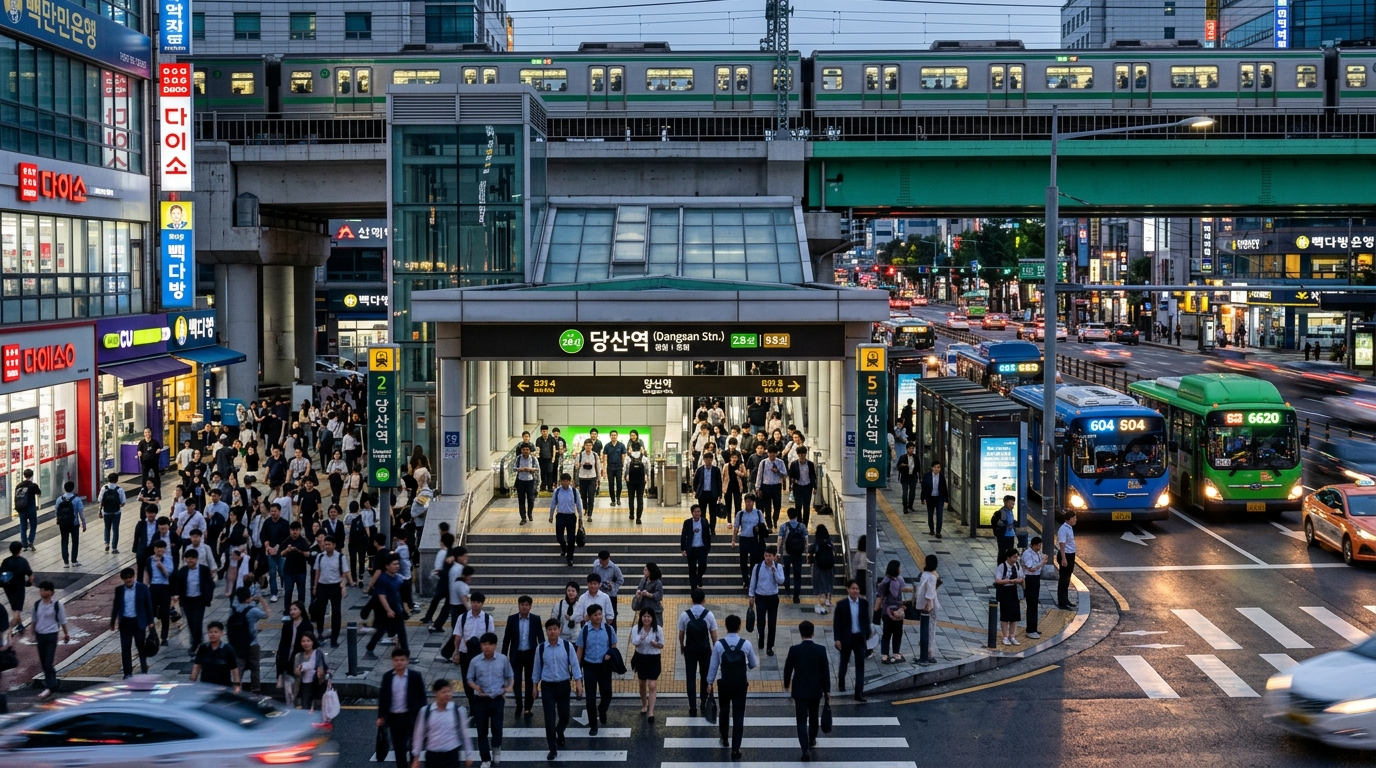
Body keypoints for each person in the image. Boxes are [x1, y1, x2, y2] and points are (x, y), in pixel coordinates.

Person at [706, 614, 757, 759]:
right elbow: (753, 664)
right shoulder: (746, 644)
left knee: (724, 710)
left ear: (726, 627)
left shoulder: (719, 645)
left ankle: (724, 737)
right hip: (740, 684)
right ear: (740, 627)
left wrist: (709, 682)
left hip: (725, 684)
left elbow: (714, 665)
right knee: (739, 715)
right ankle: (736, 749)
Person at [533, 616, 583, 761]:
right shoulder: (541, 648)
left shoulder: (567, 646)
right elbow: (537, 668)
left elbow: (575, 665)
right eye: (550, 629)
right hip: (547, 686)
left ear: (559, 630)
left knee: (565, 715)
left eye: (555, 629)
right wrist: (535, 686)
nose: (553, 632)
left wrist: (578, 683)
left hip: (563, 685)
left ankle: (559, 731)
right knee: (549, 719)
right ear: (546, 631)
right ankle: (552, 749)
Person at [782, 619, 831, 761]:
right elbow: (825, 671)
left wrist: (786, 684)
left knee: (801, 719)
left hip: (799, 690)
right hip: (816, 689)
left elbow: (787, 669)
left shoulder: (794, 650)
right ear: (813, 633)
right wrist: (827, 690)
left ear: (800, 633)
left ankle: (804, 750)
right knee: (814, 717)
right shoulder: (820, 650)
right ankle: (812, 740)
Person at [466, 632, 514, 766]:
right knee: (482, 731)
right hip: (480, 700)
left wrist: (509, 687)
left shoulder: (503, 659)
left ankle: (496, 750)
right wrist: (475, 687)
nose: (487, 647)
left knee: (497, 729)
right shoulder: (475, 661)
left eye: (490, 644)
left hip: (497, 699)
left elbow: (510, 675)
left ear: (495, 645)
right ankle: (485, 759)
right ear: (481, 646)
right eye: (484, 644)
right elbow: (469, 678)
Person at [378, 648, 427, 768]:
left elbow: (422, 697)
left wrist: (424, 715)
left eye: (402, 660)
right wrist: (380, 716)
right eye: (396, 660)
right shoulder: (387, 677)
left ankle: (413, 764)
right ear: (392, 661)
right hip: (394, 717)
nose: (399, 662)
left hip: (410, 717)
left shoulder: (415, 676)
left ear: (407, 661)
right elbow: (383, 697)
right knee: (399, 749)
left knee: (412, 746)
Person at [411, 678, 475, 768]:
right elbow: (419, 735)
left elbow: (464, 734)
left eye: (449, 691)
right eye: (444, 692)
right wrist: (416, 757)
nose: (447, 694)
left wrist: (469, 755)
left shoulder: (458, 711)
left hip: (452, 755)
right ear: (435, 693)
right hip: (432, 756)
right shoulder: (426, 711)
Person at [575, 604, 615, 734]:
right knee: (590, 699)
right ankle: (593, 725)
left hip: (604, 667)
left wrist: (610, 654)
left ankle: (602, 710)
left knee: (607, 693)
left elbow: (613, 646)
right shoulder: (585, 630)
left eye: (600, 614)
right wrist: (576, 669)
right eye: (595, 615)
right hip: (589, 666)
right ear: (589, 617)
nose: (598, 617)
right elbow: (580, 649)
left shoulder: (609, 629)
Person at [678, 588, 718, 718]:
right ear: (703, 599)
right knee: (705, 676)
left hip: (690, 650)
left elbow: (681, 633)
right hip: (705, 650)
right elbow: (714, 635)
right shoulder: (709, 614)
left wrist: (682, 645)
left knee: (690, 677)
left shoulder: (685, 615)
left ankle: (692, 706)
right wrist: (715, 649)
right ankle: (703, 701)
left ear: (691, 599)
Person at [109, 567, 155, 678]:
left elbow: (148, 605)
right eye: (126, 578)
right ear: (123, 579)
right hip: (125, 622)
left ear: (133, 577)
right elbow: (116, 606)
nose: (129, 580)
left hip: (138, 622)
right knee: (125, 648)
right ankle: (127, 673)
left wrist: (150, 621)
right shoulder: (119, 590)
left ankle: (144, 669)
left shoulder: (142, 588)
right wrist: (113, 621)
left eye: (130, 577)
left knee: (140, 646)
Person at [501, 595, 542, 718]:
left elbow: (540, 637)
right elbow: (506, 639)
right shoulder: (512, 619)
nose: (524, 607)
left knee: (530, 682)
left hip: (531, 655)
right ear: (518, 606)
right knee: (516, 682)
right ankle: (519, 705)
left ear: (530, 606)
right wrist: (503, 656)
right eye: (522, 604)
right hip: (516, 655)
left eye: (526, 605)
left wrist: (543, 654)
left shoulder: (535, 619)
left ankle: (528, 708)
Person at [452, 592, 495, 706]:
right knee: (467, 683)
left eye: (478, 602)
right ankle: (472, 703)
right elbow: (457, 636)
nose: (475, 605)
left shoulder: (487, 619)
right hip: (465, 654)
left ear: (482, 604)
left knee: (480, 681)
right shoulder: (463, 618)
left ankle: (477, 706)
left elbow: (491, 639)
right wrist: (456, 653)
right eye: (474, 602)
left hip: (481, 656)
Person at [833, 579, 871, 702]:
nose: (855, 591)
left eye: (857, 589)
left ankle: (858, 692)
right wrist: (837, 638)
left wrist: (867, 637)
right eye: (853, 588)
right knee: (844, 662)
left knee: (860, 664)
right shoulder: (841, 604)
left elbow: (866, 621)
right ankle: (841, 683)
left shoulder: (864, 603)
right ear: (848, 590)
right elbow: (836, 623)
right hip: (846, 638)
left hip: (859, 638)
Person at [172, 547, 215, 655]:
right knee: (191, 623)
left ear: (196, 559)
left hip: (199, 600)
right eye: (188, 558)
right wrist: (176, 594)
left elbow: (210, 584)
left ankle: (195, 645)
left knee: (197, 622)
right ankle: (199, 641)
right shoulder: (182, 571)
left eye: (192, 558)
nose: (190, 561)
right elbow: (178, 584)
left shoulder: (204, 570)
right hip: (187, 601)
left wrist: (208, 596)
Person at [228, 586, 270, 693]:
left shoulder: (233, 610)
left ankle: (237, 690)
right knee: (255, 668)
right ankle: (255, 690)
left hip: (237, 645)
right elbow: (267, 614)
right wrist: (261, 599)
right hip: (252, 644)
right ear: (248, 597)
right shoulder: (253, 611)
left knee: (239, 669)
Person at [366, 555, 409, 658]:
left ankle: (406, 654)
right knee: (380, 631)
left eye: (398, 564)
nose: (397, 566)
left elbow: (400, 594)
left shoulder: (398, 578)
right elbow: (381, 596)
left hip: (397, 609)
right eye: (394, 564)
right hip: (385, 611)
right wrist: (388, 610)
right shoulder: (383, 579)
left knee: (402, 633)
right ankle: (370, 648)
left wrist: (404, 606)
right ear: (387, 566)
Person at [32, 581, 69, 700]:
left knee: (48, 662)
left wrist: (66, 633)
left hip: (51, 635)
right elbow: (34, 619)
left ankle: (50, 687)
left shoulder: (57, 605)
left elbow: (62, 620)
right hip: (40, 635)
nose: (42, 592)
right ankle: (54, 682)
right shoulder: (37, 604)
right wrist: (33, 632)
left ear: (51, 592)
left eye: (45, 590)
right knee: (44, 663)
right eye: (41, 590)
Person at [312, 535, 351, 647]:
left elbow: (344, 572)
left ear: (334, 545)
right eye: (325, 544)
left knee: (336, 613)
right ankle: (320, 633)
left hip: (335, 586)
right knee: (320, 611)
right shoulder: (320, 557)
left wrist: (343, 586)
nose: (327, 546)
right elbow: (317, 573)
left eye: (329, 544)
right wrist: (315, 587)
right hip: (322, 586)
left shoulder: (340, 557)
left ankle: (334, 638)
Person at [748, 546, 784, 656]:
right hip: (760, 597)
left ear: (774, 557)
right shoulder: (757, 567)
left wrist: (775, 572)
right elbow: (753, 582)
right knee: (761, 621)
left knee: (772, 623)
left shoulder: (778, 567)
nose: (767, 558)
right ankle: (761, 639)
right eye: (766, 556)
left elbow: (781, 581)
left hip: (773, 597)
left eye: (769, 556)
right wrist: (751, 596)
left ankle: (770, 646)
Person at [877, 560, 913, 664]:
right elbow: (880, 597)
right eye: (899, 567)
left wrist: (912, 589)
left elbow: (902, 589)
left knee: (892, 632)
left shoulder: (894, 580)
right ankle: (891, 653)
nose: (900, 569)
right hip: (891, 611)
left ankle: (888, 654)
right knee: (892, 632)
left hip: (893, 611)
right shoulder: (886, 582)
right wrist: (876, 610)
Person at [630, 607, 663, 719]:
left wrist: (656, 644)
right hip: (641, 657)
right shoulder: (636, 628)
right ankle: (644, 704)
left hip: (654, 658)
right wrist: (642, 637)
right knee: (642, 683)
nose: (646, 619)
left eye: (649, 616)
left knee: (652, 685)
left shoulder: (658, 629)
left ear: (652, 618)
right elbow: (635, 642)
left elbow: (662, 644)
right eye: (644, 616)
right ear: (641, 617)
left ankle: (651, 712)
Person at [190, 621, 241, 691]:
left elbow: (234, 669)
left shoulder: (228, 649)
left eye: (215, 632)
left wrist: (237, 685)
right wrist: (191, 683)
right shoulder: (203, 648)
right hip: (206, 687)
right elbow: (196, 667)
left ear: (221, 633)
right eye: (210, 632)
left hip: (223, 688)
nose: (213, 634)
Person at [549, 474, 582, 567]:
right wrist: (551, 516)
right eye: (563, 481)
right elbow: (553, 503)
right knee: (559, 537)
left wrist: (580, 517)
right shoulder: (557, 491)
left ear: (570, 481)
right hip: (560, 516)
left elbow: (579, 504)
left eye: (567, 481)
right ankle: (564, 547)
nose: (565, 483)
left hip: (571, 516)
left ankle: (570, 559)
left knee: (571, 539)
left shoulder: (575, 492)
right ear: (561, 481)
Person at [733, 494, 765, 589]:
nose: (748, 503)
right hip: (743, 538)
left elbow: (763, 525)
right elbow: (736, 527)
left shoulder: (758, 513)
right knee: (743, 561)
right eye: (747, 501)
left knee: (753, 561)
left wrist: (758, 528)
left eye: (750, 501)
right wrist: (733, 540)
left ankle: (752, 580)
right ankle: (745, 580)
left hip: (754, 539)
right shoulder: (740, 513)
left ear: (753, 502)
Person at [777, 507, 808, 604]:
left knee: (786, 572)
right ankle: (796, 597)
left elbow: (779, 540)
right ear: (797, 516)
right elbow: (806, 540)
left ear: (788, 515)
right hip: (798, 554)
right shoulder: (802, 526)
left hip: (787, 553)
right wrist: (807, 552)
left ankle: (787, 588)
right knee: (797, 575)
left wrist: (778, 551)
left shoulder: (784, 526)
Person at [995, 547, 1025, 646]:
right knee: (1005, 616)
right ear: (1008, 557)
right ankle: (1005, 636)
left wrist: (1018, 581)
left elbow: (1022, 578)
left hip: (1014, 591)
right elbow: (998, 580)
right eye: (1014, 557)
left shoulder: (1017, 565)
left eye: (1016, 557)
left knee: (1014, 615)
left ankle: (1012, 636)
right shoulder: (1002, 566)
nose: (1015, 559)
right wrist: (1010, 581)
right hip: (1004, 591)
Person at [147, 539, 174, 644]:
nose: (159, 550)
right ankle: (152, 633)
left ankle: (164, 637)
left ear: (165, 549)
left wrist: (162, 567)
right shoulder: (149, 560)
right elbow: (146, 573)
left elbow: (168, 574)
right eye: (157, 548)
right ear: (154, 549)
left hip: (165, 587)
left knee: (165, 613)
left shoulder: (168, 559)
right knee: (151, 612)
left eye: (161, 548)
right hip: (153, 587)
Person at [680, 504, 712, 591]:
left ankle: (699, 577)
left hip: (702, 548)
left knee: (703, 566)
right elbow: (683, 536)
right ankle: (693, 587)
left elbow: (707, 536)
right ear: (692, 513)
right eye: (695, 512)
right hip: (692, 548)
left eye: (698, 511)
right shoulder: (687, 523)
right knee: (692, 568)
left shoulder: (705, 522)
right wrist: (683, 549)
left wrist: (708, 547)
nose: (697, 513)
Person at [0, 542, 32, 630]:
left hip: (8, 588)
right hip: (19, 588)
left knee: (15, 607)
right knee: (17, 610)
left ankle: (20, 624)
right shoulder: (22, 561)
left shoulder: (5, 561)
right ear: (20, 550)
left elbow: (1, 574)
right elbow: (30, 576)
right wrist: (29, 583)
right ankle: (8, 630)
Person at [54, 481, 86, 567]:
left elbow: (57, 512)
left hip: (63, 524)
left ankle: (66, 562)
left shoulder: (59, 499)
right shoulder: (77, 499)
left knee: (64, 541)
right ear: (73, 488)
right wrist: (84, 523)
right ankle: (74, 561)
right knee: (75, 542)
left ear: (64, 488)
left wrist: (58, 520)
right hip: (74, 523)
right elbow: (81, 513)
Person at [293, 632, 328, 710]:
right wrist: (297, 672)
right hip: (305, 686)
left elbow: (323, 669)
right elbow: (296, 674)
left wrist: (320, 673)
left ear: (313, 642)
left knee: (318, 709)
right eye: (303, 641)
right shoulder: (298, 656)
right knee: (305, 708)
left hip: (317, 685)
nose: (306, 643)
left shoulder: (318, 653)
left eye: (308, 641)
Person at [755, 446, 787, 528]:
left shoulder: (780, 462)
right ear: (767, 453)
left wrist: (777, 471)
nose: (772, 455)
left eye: (773, 453)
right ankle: (769, 525)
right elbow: (759, 475)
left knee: (777, 505)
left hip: (776, 486)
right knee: (767, 507)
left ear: (776, 453)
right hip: (766, 486)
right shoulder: (763, 462)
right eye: (770, 453)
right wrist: (758, 487)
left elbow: (785, 475)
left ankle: (775, 519)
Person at [590, 551, 625, 627]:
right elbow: (594, 578)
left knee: (612, 616)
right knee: (598, 613)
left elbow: (621, 580)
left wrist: (612, 585)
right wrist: (598, 585)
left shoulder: (614, 567)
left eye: (605, 561)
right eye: (601, 561)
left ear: (608, 558)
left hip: (611, 595)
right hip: (599, 594)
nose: (603, 563)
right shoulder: (596, 567)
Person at [917, 554, 940, 664]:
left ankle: (924, 652)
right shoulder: (932, 576)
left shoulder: (924, 574)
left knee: (924, 628)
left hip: (922, 605)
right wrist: (928, 606)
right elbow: (930, 594)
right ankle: (929, 653)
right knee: (931, 629)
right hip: (930, 606)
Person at [96, 472, 126, 554]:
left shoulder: (104, 488)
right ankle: (114, 548)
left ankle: (106, 543)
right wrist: (118, 505)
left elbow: (100, 501)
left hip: (106, 512)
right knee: (115, 529)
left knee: (107, 528)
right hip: (116, 512)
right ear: (117, 480)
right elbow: (123, 502)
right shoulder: (119, 489)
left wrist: (99, 511)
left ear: (108, 479)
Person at [787, 446, 817, 527]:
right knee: (798, 506)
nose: (802, 456)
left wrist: (815, 487)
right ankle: (799, 523)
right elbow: (791, 476)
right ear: (798, 455)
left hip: (807, 486)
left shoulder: (810, 464)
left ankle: (805, 524)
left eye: (803, 454)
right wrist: (792, 484)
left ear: (805, 454)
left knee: (806, 507)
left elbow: (813, 476)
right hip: (798, 487)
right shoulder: (794, 464)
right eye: (800, 454)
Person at [810, 524, 836, 614]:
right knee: (828, 581)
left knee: (819, 582)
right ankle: (828, 599)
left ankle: (820, 602)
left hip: (819, 565)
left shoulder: (817, 543)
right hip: (829, 566)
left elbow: (811, 551)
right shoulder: (829, 542)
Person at [693, 452, 723, 529]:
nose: (708, 461)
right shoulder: (700, 470)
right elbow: (695, 481)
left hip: (712, 494)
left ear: (712, 460)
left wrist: (720, 494)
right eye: (706, 460)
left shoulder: (716, 470)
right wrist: (696, 491)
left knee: (712, 512)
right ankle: (704, 527)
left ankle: (712, 529)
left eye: (710, 460)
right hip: (702, 494)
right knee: (702, 512)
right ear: (704, 460)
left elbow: (719, 482)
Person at [920, 461, 949, 539]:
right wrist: (923, 498)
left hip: (939, 498)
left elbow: (944, 489)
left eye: (938, 467)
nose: (937, 469)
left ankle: (938, 532)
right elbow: (924, 488)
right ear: (932, 468)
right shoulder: (927, 476)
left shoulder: (942, 477)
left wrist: (946, 499)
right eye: (935, 467)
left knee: (939, 515)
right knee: (930, 515)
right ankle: (931, 529)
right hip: (930, 498)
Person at [13, 469, 39, 551]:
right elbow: (39, 493)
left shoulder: (19, 485)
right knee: (33, 525)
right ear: (32, 476)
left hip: (22, 509)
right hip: (31, 508)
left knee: (23, 526)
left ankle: (24, 543)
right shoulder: (33, 485)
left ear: (24, 475)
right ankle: (30, 540)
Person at [513, 444, 540, 525]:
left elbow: (537, 468)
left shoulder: (533, 459)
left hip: (530, 481)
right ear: (521, 450)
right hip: (520, 481)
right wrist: (520, 469)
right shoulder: (518, 458)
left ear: (529, 450)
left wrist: (530, 469)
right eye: (524, 449)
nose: (525, 451)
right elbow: (514, 468)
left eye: (527, 450)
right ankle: (523, 517)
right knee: (521, 500)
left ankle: (530, 514)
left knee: (531, 499)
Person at [632, 563, 664, 629]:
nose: (644, 572)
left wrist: (649, 595)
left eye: (646, 570)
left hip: (655, 610)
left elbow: (659, 595)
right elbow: (639, 589)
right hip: (644, 608)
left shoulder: (657, 582)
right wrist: (638, 595)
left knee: (656, 628)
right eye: (644, 570)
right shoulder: (643, 580)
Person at [1057, 510, 1078, 610]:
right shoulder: (1063, 529)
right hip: (1065, 555)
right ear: (1068, 519)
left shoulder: (1069, 528)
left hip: (1071, 555)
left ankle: (1065, 599)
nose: (1075, 520)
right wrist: (1063, 558)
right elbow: (1062, 544)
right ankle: (1062, 602)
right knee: (1063, 579)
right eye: (1074, 518)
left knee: (1067, 579)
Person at [602, 430, 627, 508]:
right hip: (610, 467)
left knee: (619, 484)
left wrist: (625, 468)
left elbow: (623, 457)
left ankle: (618, 498)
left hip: (619, 467)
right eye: (612, 435)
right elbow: (605, 458)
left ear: (617, 436)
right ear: (610, 436)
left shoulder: (621, 445)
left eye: (615, 435)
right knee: (611, 484)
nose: (613, 436)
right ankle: (613, 500)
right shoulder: (607, 446)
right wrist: (604, 469)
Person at [575, 440, 599, 519]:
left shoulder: (595, 455)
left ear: (592, 446)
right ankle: (585, 508)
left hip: (592, 478)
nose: (588, 447)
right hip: (583, 478)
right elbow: (576, 466)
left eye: (590, 445)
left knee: (591, 496)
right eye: (587, 445)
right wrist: (578, 465)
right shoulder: (580, 455)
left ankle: (590, 514)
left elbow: (598, 467)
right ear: (584, 446)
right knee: (583, 495)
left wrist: (598, 479)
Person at [991, 495, 1017, 564]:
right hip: (1003, 535)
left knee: (1010, 552)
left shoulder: (1011, 511)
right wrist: (1004, 524)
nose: (1012, 504)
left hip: (1011, 535)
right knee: (1002, 551)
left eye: (1013, 503)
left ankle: (1008, 565)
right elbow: (995, 522)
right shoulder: (1001, 512)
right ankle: (1000, 566)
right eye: (1010, 502)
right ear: (1005, 502)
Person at [625, 450, 647, 524]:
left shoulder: (628, 457)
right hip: (641, 481)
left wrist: (625, 477)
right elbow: (647, 468)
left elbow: (625, 468)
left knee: (631, 498)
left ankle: (631, 514)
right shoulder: (644, 457)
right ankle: (638, 518)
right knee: (640, 499)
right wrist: (646, 478)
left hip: (630, 481)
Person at [897, 442, 919, 514]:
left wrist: (920, 477)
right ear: (907, 449)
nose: (911, 450)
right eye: (910, 449)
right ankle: (905, 507)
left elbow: (919, 467)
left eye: (912, 448)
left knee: (912, 493)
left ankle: (910, 505)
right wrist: (902, 466)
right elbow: (898, 466)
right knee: (905, 492)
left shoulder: (916, 457)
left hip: (913, 476)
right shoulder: (903, 457)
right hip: (905, 477)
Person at [535, 425, 558, 493]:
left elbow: (554, 448)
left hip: (550, 459)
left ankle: (550, 487)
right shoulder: (538, 439)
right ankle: (543, 486)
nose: (544, 432)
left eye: (545, 431)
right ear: (541, 432)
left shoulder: (552, 439)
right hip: (542, 459)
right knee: (543, 472)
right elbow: (538, 448)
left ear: (547, 431)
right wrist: (537, 454)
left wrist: (553, 457)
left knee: (550, 472)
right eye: (543, 431)